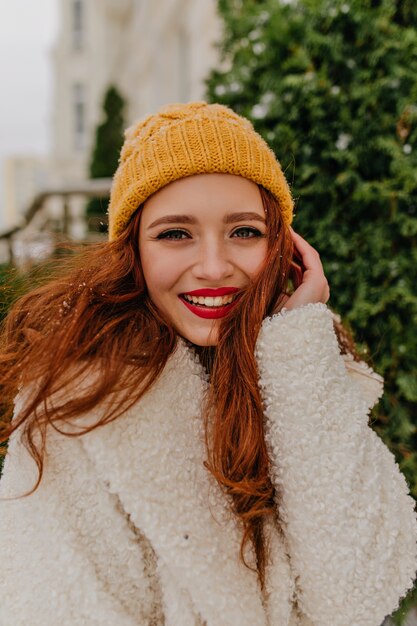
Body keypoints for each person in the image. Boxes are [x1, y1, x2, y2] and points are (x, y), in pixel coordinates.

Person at [0, 101, 416, 626]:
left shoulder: (302, 375)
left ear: (283, 247)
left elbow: (356, 595)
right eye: (176, 233)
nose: (215, 267)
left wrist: (299, 352)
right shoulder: (82, 405)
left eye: (245, 232)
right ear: (134, 251)